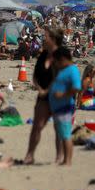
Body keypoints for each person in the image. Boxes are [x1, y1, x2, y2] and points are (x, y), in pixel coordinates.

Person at [22, 27, 63, 164]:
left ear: (53, 39)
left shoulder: (61, 55)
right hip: (43, 96)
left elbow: (61, 77)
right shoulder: (43, 55)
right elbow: (35, 75)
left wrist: (47, 90)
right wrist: (39, 88)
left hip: (59, 96)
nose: (42, 39)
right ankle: (30, 155)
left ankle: (59, 157)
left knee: (59, 128)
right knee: (37, 126)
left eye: (45, 37)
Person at [49, 47, 80, 166]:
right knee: (59, 133)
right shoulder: (64, 69)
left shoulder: (72, 70)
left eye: (57, 61)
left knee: (66, 134)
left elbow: (76, 87)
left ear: (62, 59)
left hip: (65, 106)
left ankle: (67, 161)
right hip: (58, 107)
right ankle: (61, 158)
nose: (56, 63)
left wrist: (63, 95)